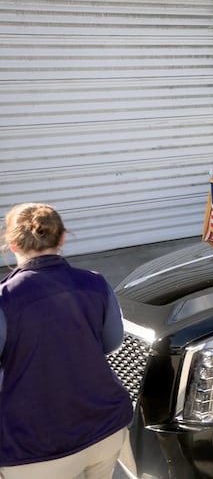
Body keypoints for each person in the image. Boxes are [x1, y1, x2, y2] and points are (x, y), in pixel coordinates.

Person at [0, 203, 132, 479]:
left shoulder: (5, 299)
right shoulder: (96, 283)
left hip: (33, 448)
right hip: (104, 427)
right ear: (61, 238)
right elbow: (112, 342)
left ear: (12, 244)